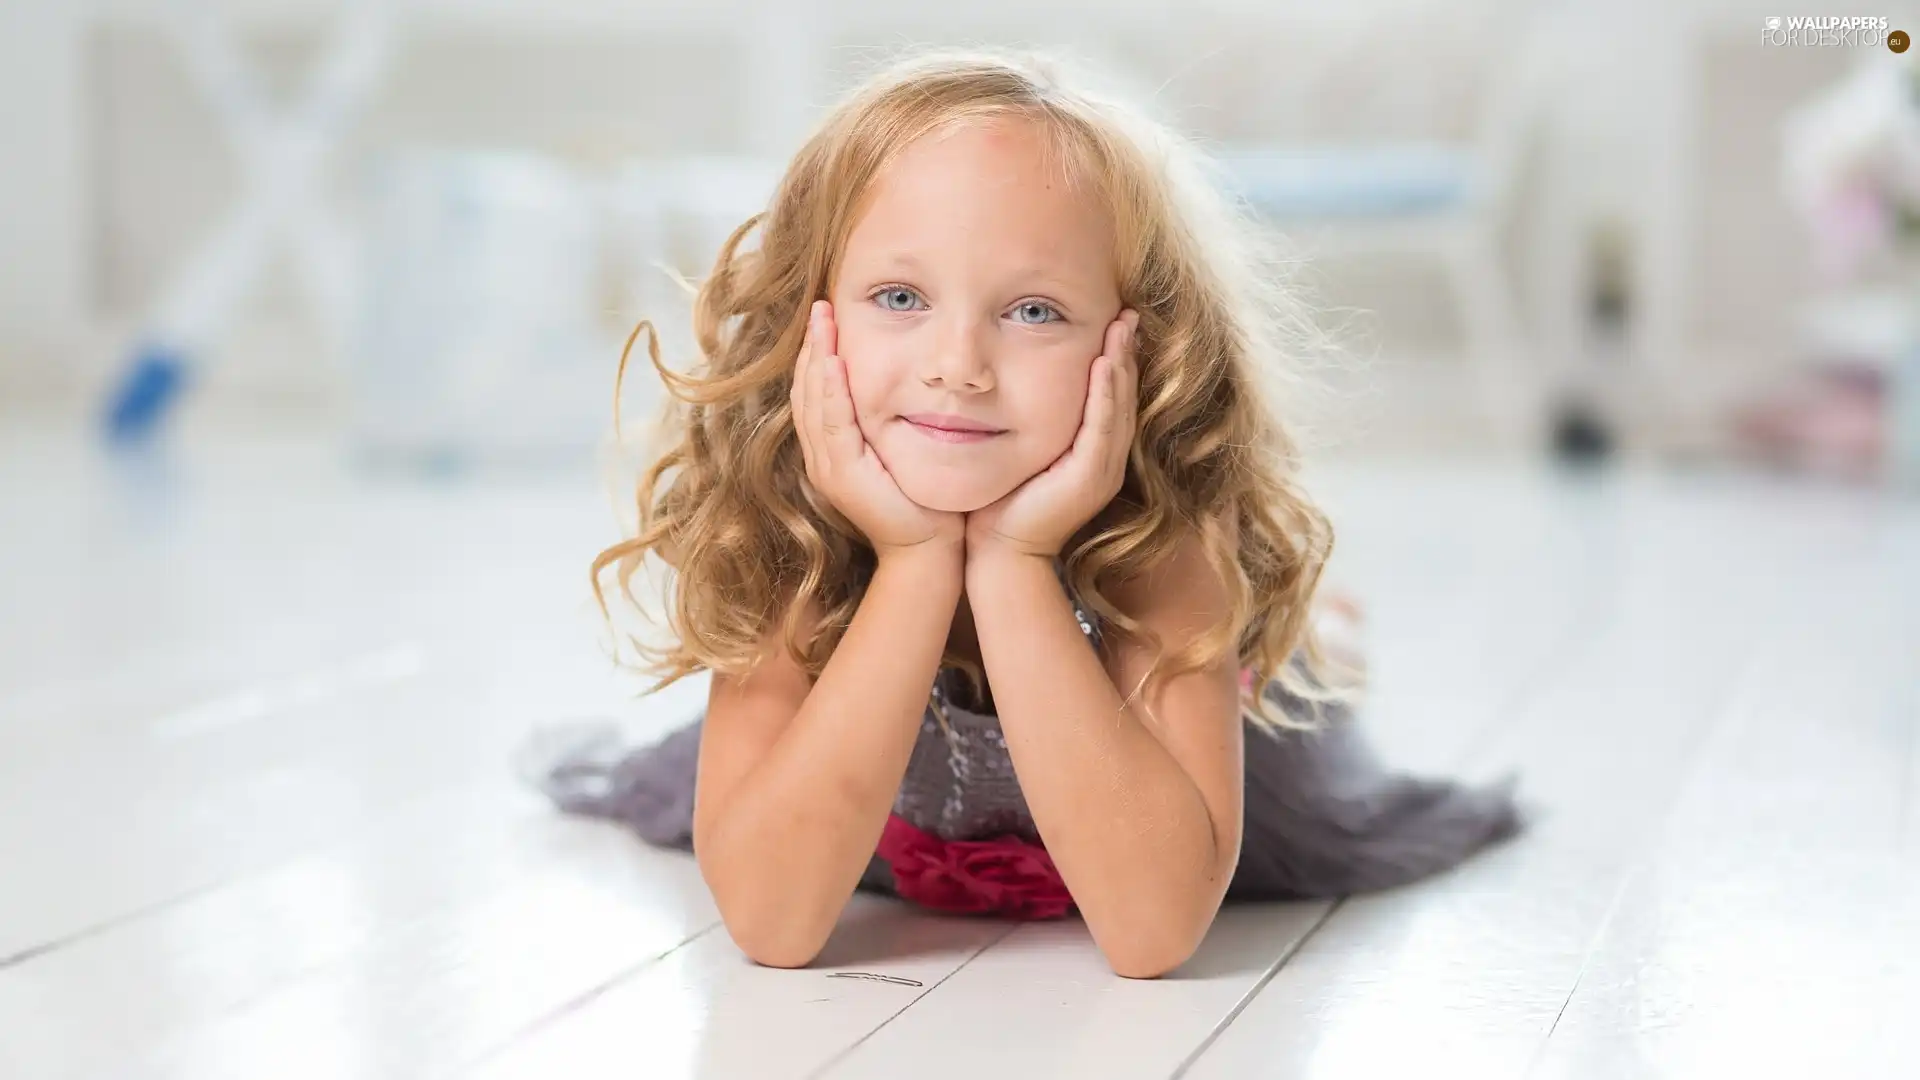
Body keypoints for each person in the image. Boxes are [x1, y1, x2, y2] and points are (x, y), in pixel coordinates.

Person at [527, 48, 1522, 980]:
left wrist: (1015, 564)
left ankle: (1319, 638)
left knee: (1302, 687)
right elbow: (772, 923)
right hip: (865, 830)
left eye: (1034, 311)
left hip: (1238, 775)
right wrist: (915, 562)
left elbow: (1152, 932)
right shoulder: (792, 527)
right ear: (809, 319)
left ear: (1139, 349)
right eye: (898, 296)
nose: (958, 365)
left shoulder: (1163, 540)